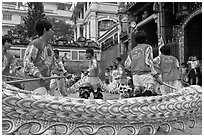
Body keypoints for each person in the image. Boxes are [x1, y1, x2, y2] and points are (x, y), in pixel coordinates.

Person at [125, 30, 162, 97]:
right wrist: (157, 77)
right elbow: (149, 62)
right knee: (149, 99)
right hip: (146, 76)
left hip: (135, 77)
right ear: (145, 39)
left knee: (138, 100)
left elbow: (127, 65)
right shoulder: (147, 47)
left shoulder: (132, 51)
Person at [23, 19, 55, 95]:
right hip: (34, 83)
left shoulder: (49, 46)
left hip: (45, 83)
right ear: (45, 29)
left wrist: (63, 73)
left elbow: (54, 64)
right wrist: (38, 74)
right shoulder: (35, 44)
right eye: (51, 29)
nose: (53, 31)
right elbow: (27, 63)